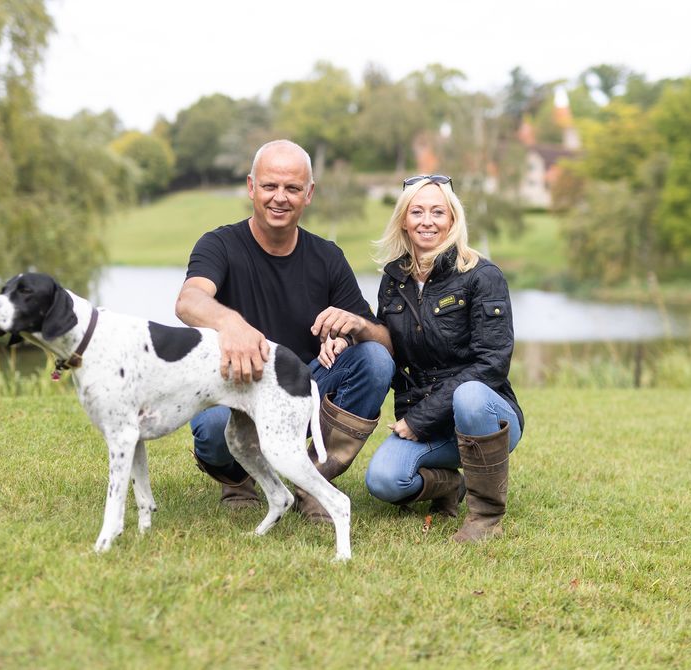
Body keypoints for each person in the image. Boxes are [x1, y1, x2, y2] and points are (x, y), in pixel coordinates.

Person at [174, 139, 394, 522]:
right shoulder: (219, 245)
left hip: (299, 391)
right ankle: (236, 478)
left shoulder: (327, 257)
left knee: (374, 360)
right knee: (212, 429)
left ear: (308, 194)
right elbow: (188, 301)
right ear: (251, 187)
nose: (280, 198)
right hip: (234, 387)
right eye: (270, 186)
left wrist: (356, 326)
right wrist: (231, 323)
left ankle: (312, 481)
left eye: (292, 188)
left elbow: (386, 344)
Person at [362, 174, 524, 543]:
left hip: (487, 418)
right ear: (404, 219)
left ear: (452, 219)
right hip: (431, 423)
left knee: (469, 392)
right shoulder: (393, 279)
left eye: (438, 212)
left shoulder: (482, 275)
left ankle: (485, 516)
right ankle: (451, 487)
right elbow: (388, 344)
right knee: (384, 481)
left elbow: (492, 363)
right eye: (417, 212)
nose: (427, 221)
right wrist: (349, 337)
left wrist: (418, 420)